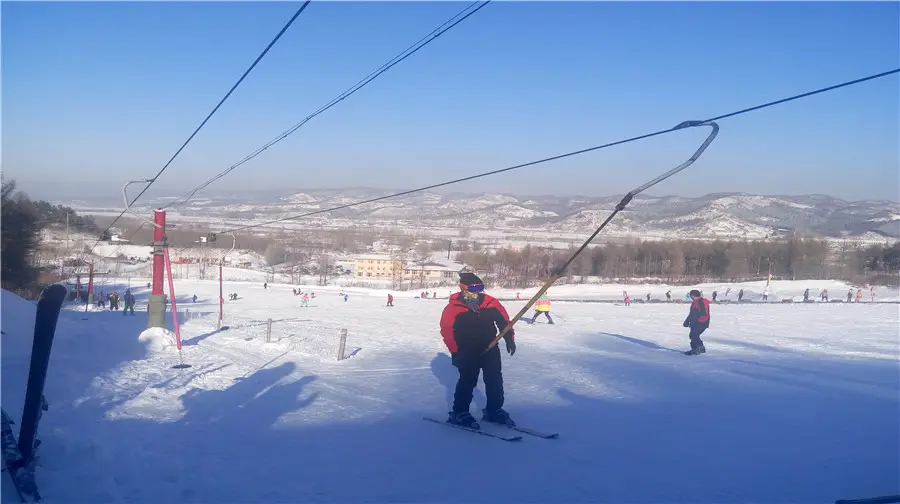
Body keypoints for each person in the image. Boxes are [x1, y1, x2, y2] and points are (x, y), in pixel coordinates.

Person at [440, 272, 517, 429]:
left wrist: (509, 337)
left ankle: (493, 410)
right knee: (468, 380)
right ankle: (459, 412)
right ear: (463, 288)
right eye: (474, 288)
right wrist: (455, 352)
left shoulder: (490, 303)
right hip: (466, 349)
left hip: (490, 346)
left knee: (494, 379)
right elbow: (447, 331)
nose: (478, 292)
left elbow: (504, 321)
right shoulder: (454, 307)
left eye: (480, 288)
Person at [682, 289, 710, 355]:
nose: (690, 297)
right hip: (705, 322)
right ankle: (701, 348)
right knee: (694, 335)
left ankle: (696, 349)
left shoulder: (697, 302)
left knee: (693, 335)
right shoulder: (703, 301)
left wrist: (687, 322)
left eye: (690, 296)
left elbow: (693, 314)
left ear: (693, 296)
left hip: (698, 322)